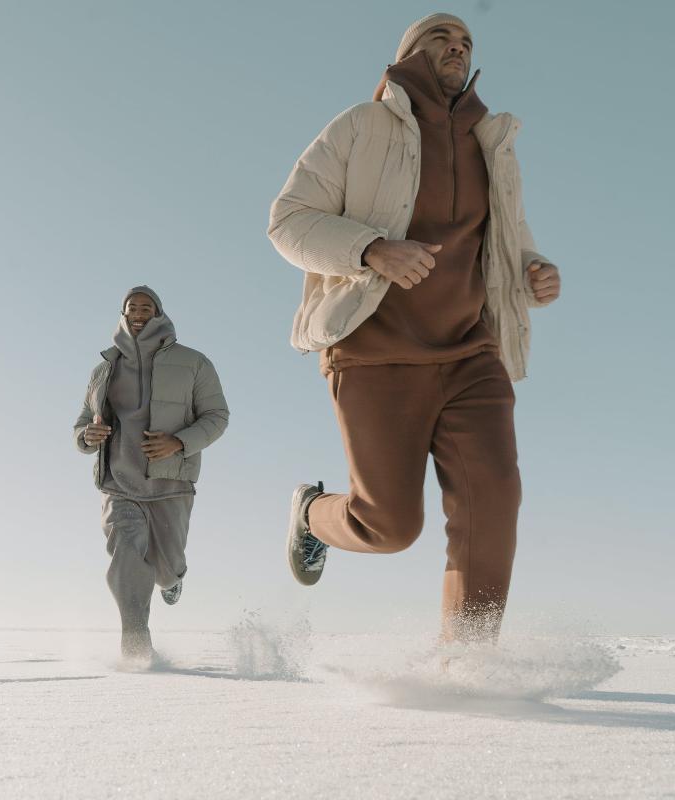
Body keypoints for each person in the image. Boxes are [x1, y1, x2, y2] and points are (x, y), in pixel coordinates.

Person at [266, 13, 562, 643]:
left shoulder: (492, 142)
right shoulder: (360, 126)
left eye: (467, 42)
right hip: (374, 352)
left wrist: (533, 269)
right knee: (389, 526)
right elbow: (288, 221)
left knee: (494, 501)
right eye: (441, 37)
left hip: (470, 353)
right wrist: (371, 249)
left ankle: (470, 669)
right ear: (407, 54)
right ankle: (313, 516)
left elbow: (509, 234)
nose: (458, 46)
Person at [73, 287, 229, 662]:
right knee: (126, 553)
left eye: (147, 307)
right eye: (132, 308)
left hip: (171, 483)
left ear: (159, 313)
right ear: (123, 315)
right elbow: (82, 424)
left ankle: (172, 581)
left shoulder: (194, 362)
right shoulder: (103, 369)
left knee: (166, 567)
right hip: (119, 481)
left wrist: (178, 442)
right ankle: (136, 642)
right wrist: (86, 436)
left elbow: (217, 417)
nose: (139, 313)